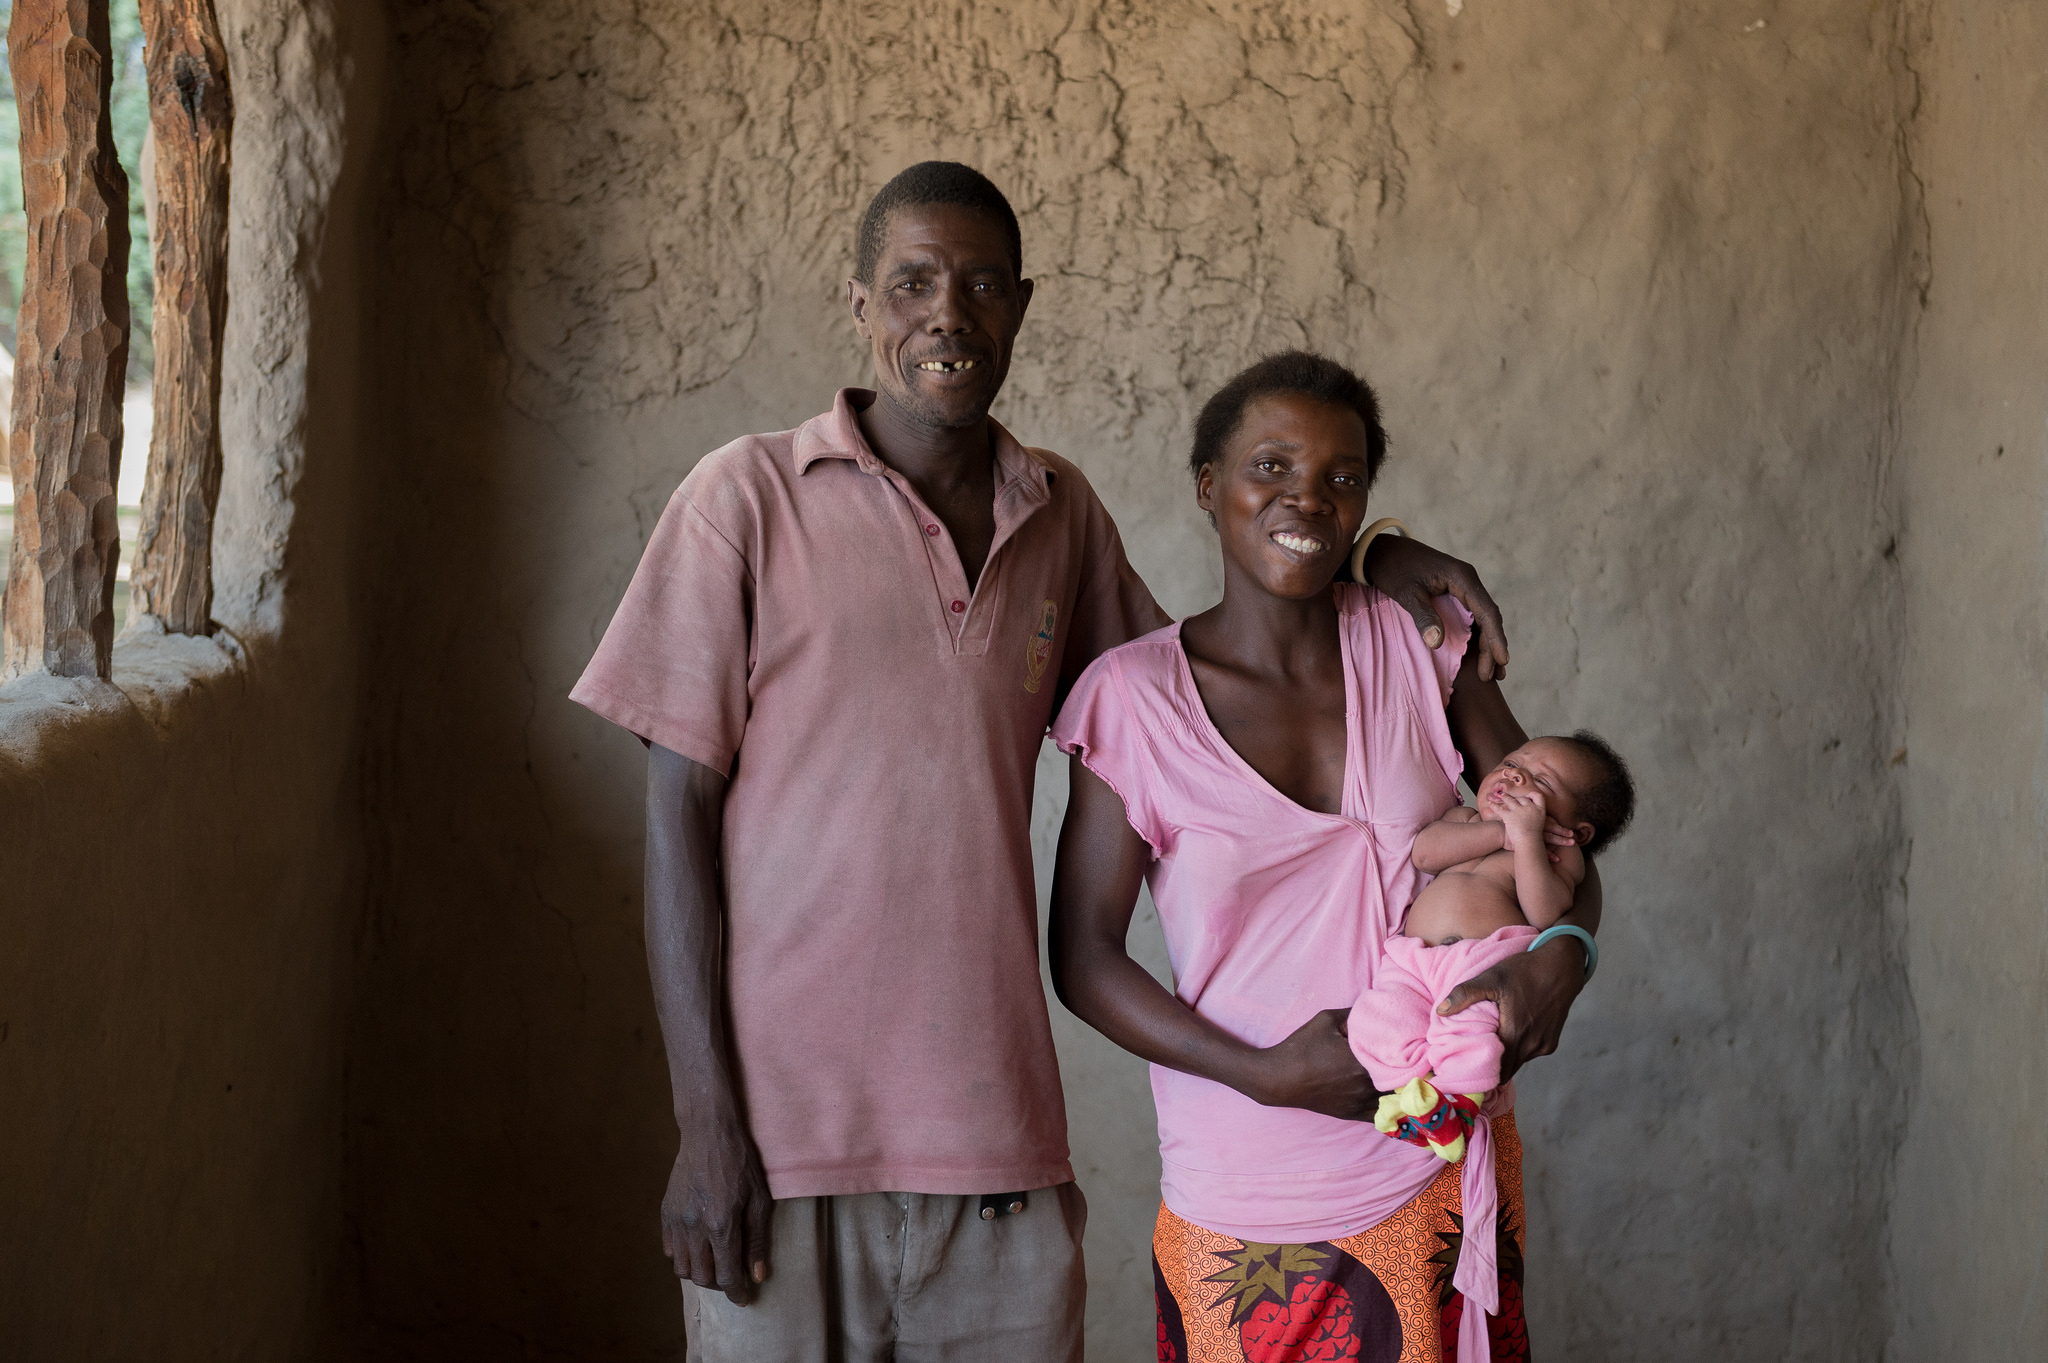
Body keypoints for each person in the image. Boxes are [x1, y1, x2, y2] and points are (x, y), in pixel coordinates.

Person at [572, 163, 1529, 1361]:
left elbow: (1201, 694)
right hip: (779, 1147)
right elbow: (674, 825)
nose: (946, 315)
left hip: (998, 1152)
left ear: (1020, 306)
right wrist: (705, 1123)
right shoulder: (745, 499)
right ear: (859, 304)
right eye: (912, 283)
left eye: (979, 285)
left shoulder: (1057, 515)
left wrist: (1370, 551)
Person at [1047, 351, 1604, 1363]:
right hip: (1250, 1193)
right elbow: (1082, 956)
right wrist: (1259, 1072)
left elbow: (1561, 833)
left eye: (1340, 478)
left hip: (1435, 1161)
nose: (1302, 496)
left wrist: (1563, 952)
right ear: (1208, 486)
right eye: (1268, 466)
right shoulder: (1130, 700)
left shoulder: (1419, 646)